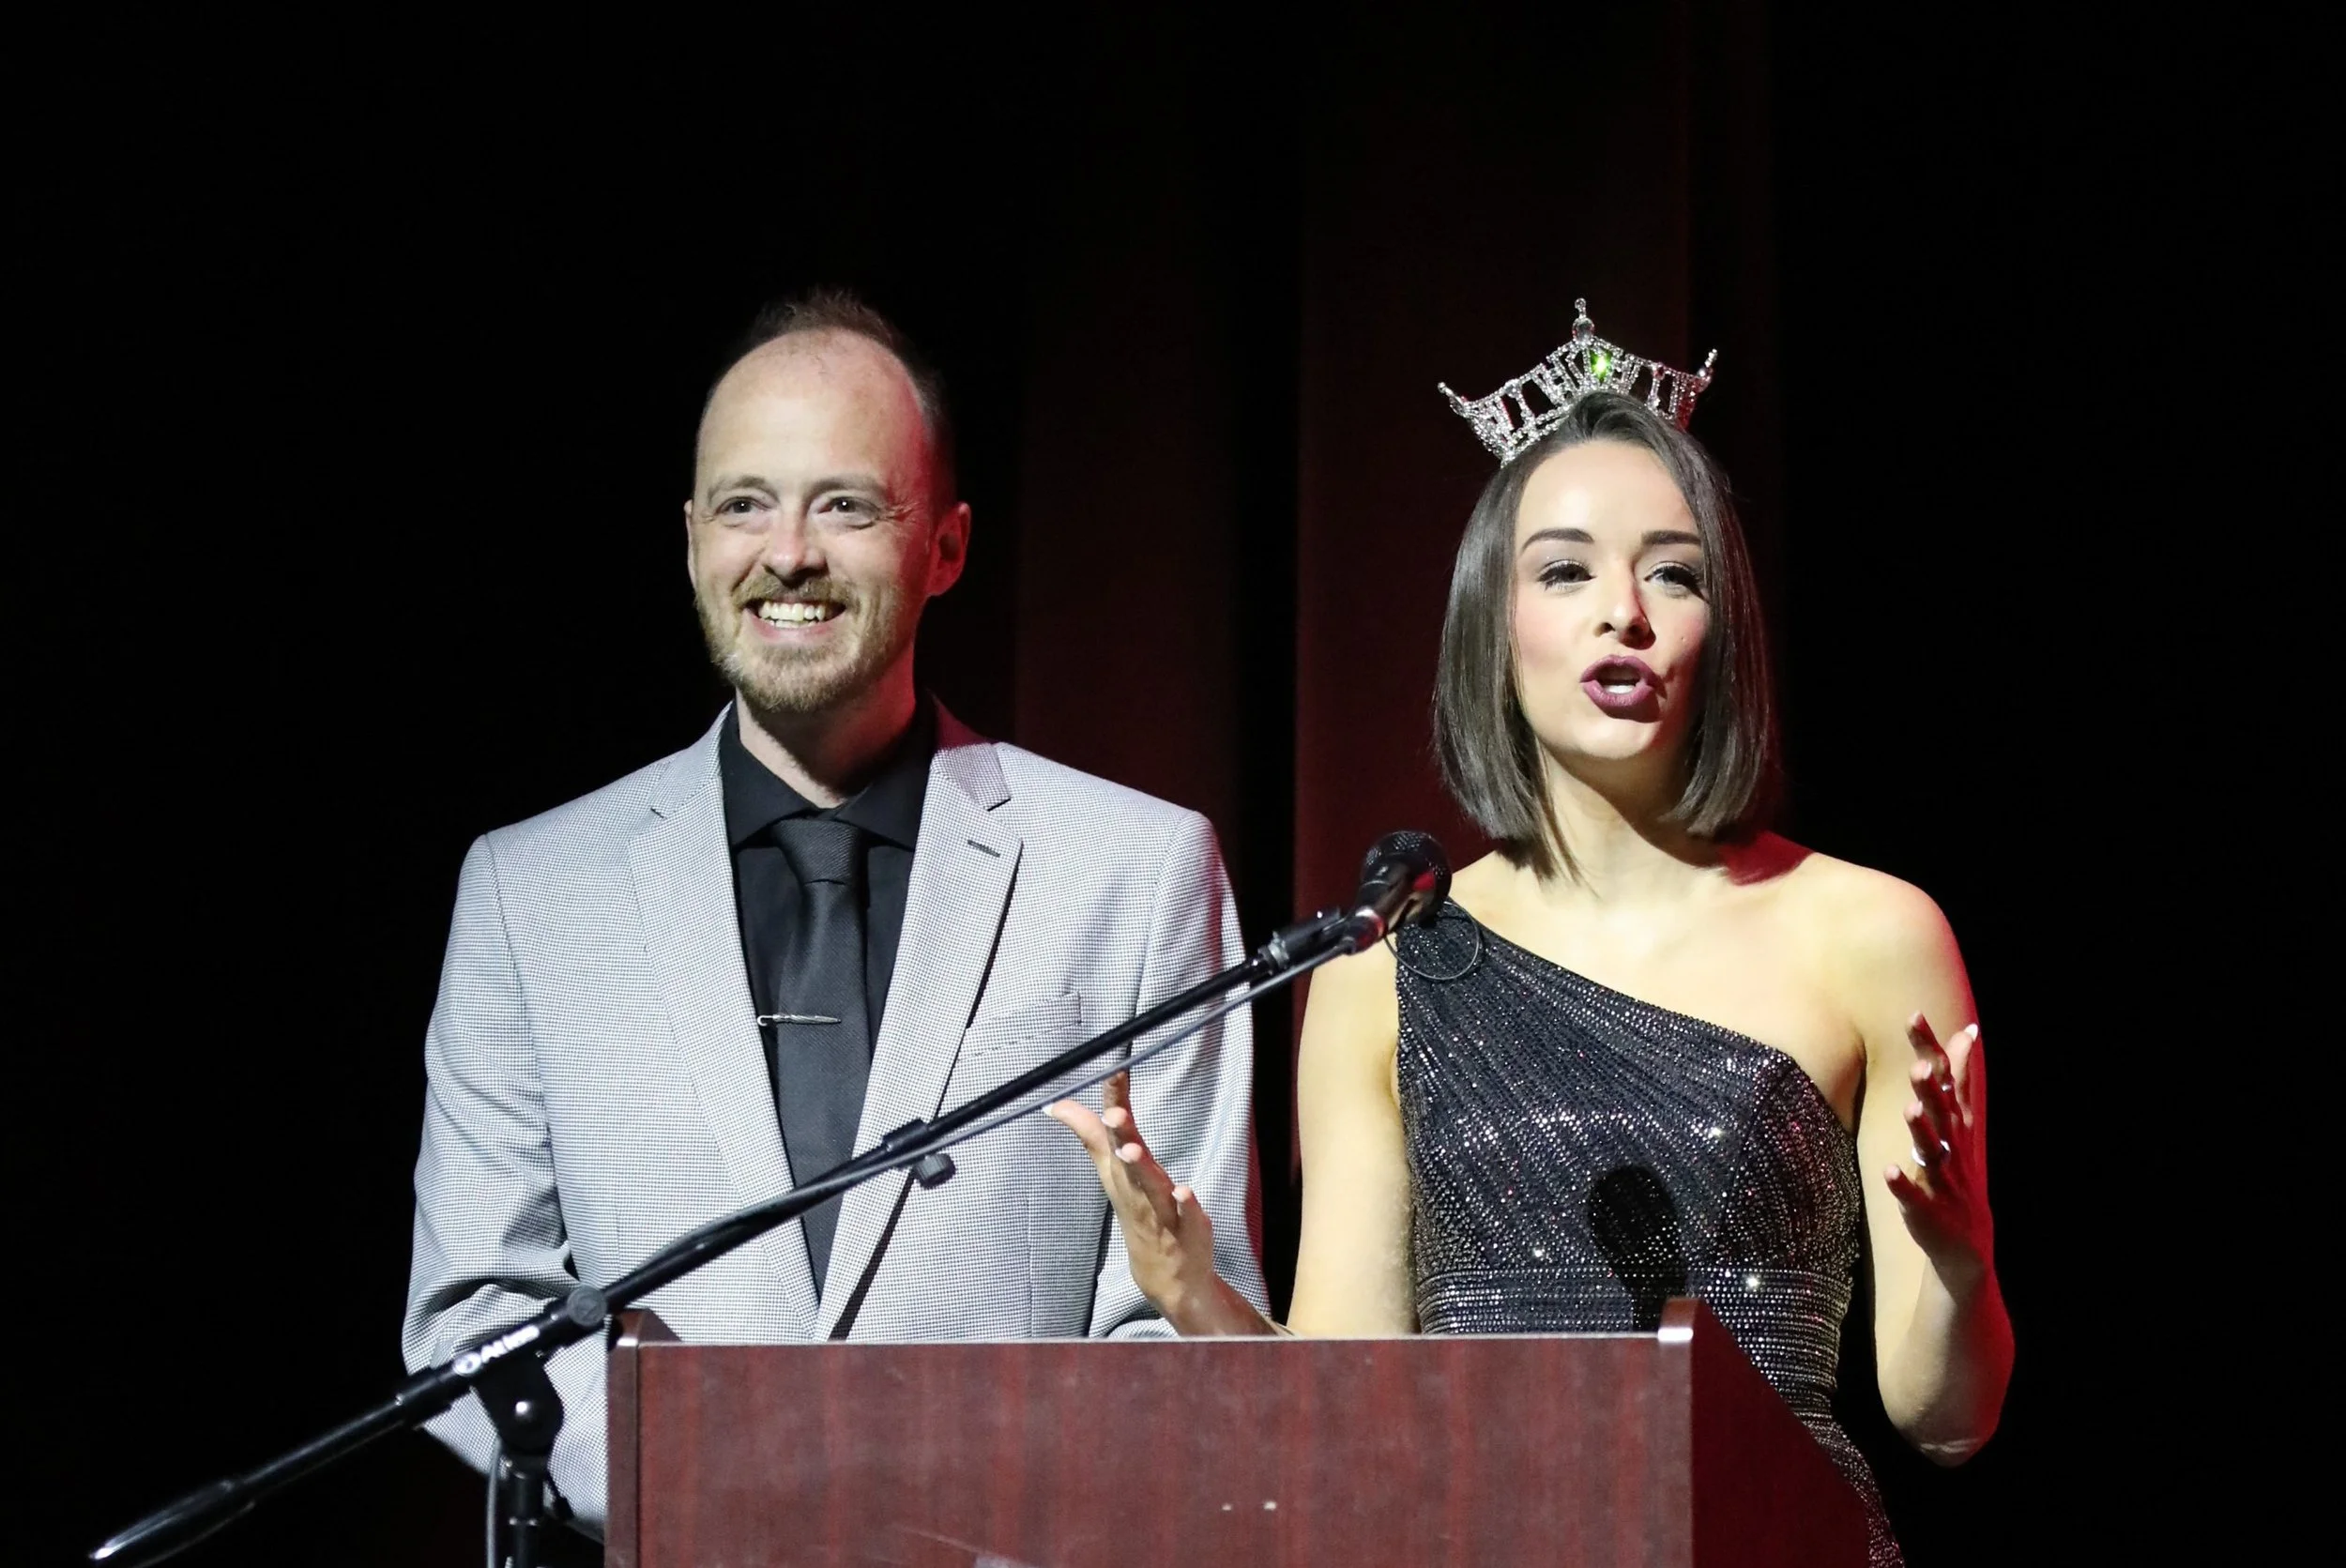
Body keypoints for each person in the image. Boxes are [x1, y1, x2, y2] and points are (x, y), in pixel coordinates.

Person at [1050, 311, 2013, 1566]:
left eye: (1673, 571)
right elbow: (1340, 1427)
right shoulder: (1389, 965)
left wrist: (1957, 1242)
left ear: (1725, 625)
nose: (1625, 610)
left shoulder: (1870, 931)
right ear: (1491, 628)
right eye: (1566, 571)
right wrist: (1192, 1294)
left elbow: (1944, 1421)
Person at [404, 290, 1267, 1537]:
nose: (789, 552)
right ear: (692, 536)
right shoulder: (531, 892)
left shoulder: (1136, 869)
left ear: (949, 547)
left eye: (846, 504)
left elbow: (1186, 1314)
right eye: (745, 503)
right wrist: (736, 1495)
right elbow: (475, 1314)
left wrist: (924, 1507)